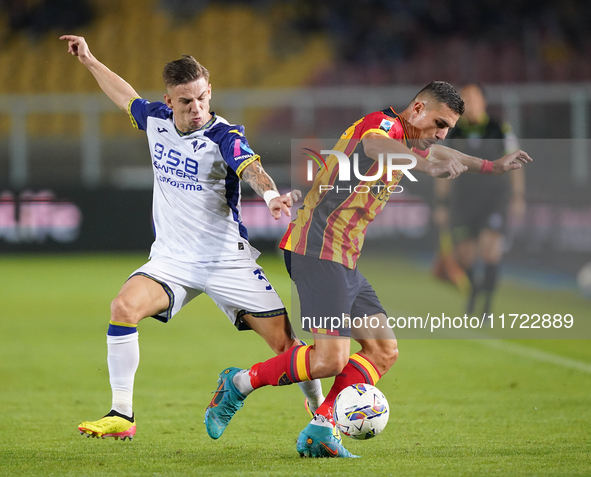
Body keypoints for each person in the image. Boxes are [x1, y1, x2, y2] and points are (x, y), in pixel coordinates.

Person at [204, 81, 533, 458]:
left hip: (344, 257)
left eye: (449, 127)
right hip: (317, 248)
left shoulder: (409, 139)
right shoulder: (381, 126)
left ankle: (321, 428)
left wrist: (490, 166)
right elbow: (376, 146)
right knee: (330, 360)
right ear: (417, 109)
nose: (441, 133)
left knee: (382, 350)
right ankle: (238, 384)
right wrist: (424, 164)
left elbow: (437, 150)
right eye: (439, 122)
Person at [59, 34, 325, 441]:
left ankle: (319, 409)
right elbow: (124, 95)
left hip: (227, 261)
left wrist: (271, 196)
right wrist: (90, 60)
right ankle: (121, 414)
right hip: (172, 260)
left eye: (202, 97)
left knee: (287, 347)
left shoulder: (223, 137)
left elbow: (251, 169)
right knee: (123, 307)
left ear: (209, 92)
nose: (197, 108)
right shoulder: (155, 120)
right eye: (186, 101)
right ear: (169, 102)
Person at [433, 84, 525, 317]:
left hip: (494, 199)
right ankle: (474, 290)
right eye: (464, 98)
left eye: (472, 97)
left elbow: (516, 164)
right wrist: (441, 203)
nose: (467, 102)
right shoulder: (452, 131)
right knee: (465, 255)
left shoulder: (499, 128)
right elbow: (441, 166)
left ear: (483, 101)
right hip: (463, 200)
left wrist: (518, 196)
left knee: (490, 250)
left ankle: (487, 306)